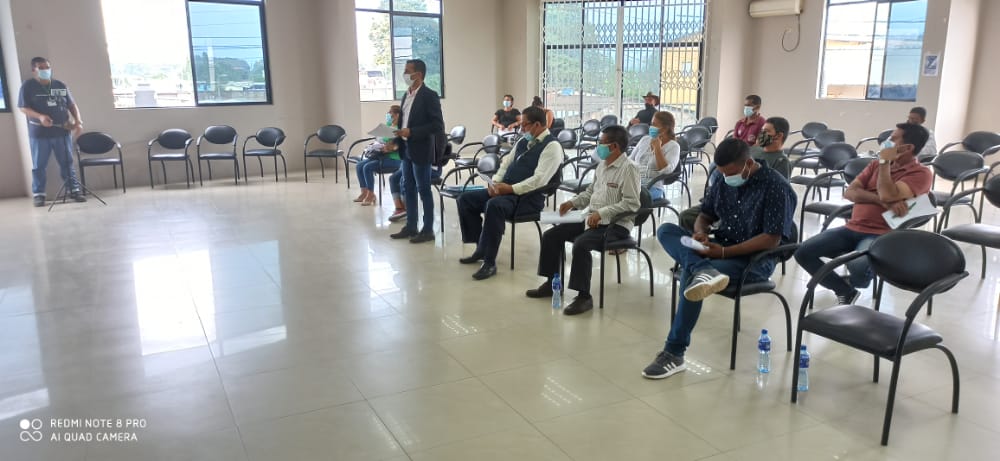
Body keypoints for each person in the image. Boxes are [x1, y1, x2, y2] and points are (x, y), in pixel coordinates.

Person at [643, 138, 796, 379]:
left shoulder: (776, 187)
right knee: (666, 231)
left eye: (730, 173)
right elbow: (705, 214)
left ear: (748, 164)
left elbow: (771, 239)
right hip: (721, 246)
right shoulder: (724, 180)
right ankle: (703, 268)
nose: (726, 178)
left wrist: (723, 253)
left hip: (754, 260)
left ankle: (674, 352)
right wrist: (700, 232)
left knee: (691, 275)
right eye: (722, 173)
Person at [794, 123, 932, 305]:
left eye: (893, 139)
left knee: (857, 266)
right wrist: (881, 201)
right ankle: (845, 290)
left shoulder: (921, 173)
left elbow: (887, 193)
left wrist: (884, 164)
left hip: (882, 235)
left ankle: (856, 282)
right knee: (803, 252)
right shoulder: (874, 165)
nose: (887, 142)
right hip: (851, 227)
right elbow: (850, 192)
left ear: (908, 148)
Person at [525, 125, 641, 315]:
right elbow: (590, 192)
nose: (598, 146)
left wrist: (603, 213)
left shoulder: (629, 169)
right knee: (551, 236)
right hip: (591, 218)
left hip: (616, 225)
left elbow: (632, 203)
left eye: (602, 143)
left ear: (614, 146)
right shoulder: (602, 165)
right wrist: (572, 202)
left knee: (581, 244)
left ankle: (584, 297)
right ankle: (551, 284)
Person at [457, 106, 563, 280]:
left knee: (494, 206)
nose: (521, 129)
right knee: (465, 200)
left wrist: (510, 189)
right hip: (506, 190)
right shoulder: (523, 141)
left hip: (528, 198)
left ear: (537, 125)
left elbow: (539, 180)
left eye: (524, 125)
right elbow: (506, 163)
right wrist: (496, 182)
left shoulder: (552, 147)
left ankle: (490, 262)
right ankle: (481, 247)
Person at [389, 59, 445, 243]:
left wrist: (412, 132)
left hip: (421, 149)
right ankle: (411, 226)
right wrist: (396, 139)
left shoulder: (429, 95)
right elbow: (404, 122)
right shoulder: (406, 95)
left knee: (423, 189)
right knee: (408, 187)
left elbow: (437, 125)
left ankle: (428, 230)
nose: (404, 74)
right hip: (406, 149)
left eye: (407, 71)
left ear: (418, 74)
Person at [18, 57, 85, 207]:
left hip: (62, 132)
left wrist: (78, 121)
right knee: (39, 165)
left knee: (67, 163)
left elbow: (72, 105)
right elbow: (23, 107)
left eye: (47, 67)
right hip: (40, 134)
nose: (45, 70)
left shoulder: (59, 85)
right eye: (41, 68)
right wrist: (40, 116)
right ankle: (39, 194)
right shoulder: (28, 86)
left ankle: (73, 190)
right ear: (34, 70)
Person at [354, 105, 402, 206]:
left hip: (394, 159)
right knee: (359, 165)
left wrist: (388, 147)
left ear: (397, 115)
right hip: (382, 155)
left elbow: (397, 146)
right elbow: (381, 139)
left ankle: (371, 194)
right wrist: (377, 145)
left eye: (391, 112)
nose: (389, 114)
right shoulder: (388, 125)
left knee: (367, 167)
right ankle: (364, 192)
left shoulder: (400, 129)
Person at [629, 111, 681, 201]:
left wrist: (657, 148)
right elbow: (630, 160)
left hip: (652, 186)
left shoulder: (673, 146)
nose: (651, 127)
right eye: (651, 124)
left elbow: (667, 170)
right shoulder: (645, 139)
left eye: (654, 124)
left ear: (665, 128)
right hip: (634, 182)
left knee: (630, 198)